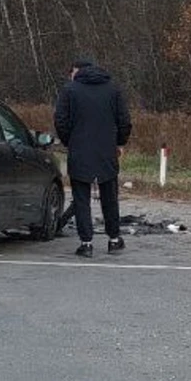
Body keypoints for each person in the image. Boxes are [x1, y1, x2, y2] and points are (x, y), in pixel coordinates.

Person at [54, 58, 132, 258]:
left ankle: (86, 243)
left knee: (81, 198)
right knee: (109, 196)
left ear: (77, 71)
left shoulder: (70, 91)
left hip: (80, 149)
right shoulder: (113, 90)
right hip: (107, 149)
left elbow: (60, 120)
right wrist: (119, 143)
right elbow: (124, 120)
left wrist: (69, 141)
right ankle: (114, 239)